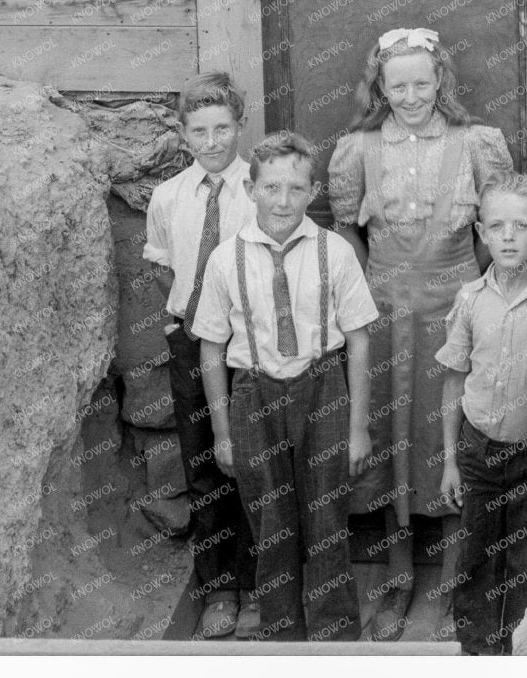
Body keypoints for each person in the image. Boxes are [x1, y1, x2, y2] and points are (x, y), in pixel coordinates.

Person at [328, 27, 515, 640]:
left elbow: (498, 225)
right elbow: (345, 228)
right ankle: (399, 575)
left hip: (457, 307)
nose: (411, 95)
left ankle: (459, 581)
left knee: (455, 432)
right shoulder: (358, 148)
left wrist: (469, 287)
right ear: (379, 86)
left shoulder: (476, 143)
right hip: (384, 317)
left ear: (442, 83)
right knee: (391, 435)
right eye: (397, 84)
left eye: (422, 83)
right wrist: (375, 281)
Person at [193, 131, 379, 643]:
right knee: (270, 526)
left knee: (326, 521)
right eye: (271, 187)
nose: (283, 200)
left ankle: (334, 636)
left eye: (296, 188)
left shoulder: (335, 251)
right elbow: (210, 349)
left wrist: (358, 428)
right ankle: (281, 638)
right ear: (251, 189)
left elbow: (360, 340)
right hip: (252, 394)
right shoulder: (224, 259)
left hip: (321, 388)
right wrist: (223, 433)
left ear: (313, 190)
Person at [142, 73, 257, 639]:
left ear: (239, 126)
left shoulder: (260, 188)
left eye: (223, 128)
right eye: (200, 131)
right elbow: (166, 263)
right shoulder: (168, 197)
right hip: (192, 339)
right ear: (184, 135)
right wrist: (182, 313)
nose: (212, 141)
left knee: (259, 462)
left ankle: (262, 582)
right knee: (206, 463)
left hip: (250, 343)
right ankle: (218, 589)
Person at [437, 172, 527, 656]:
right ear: (482, 233)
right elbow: (453, 379)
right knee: (477, 557)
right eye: (497, 226)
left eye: (522, 226)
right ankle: (477, 650)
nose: (509, 236)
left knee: (524, 559)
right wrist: (449, 460)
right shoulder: (470, 300)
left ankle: (518, 651)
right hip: (478, 450)